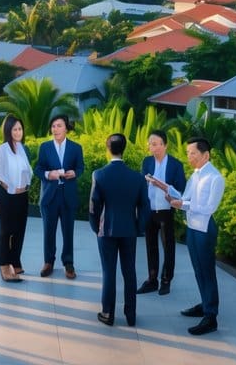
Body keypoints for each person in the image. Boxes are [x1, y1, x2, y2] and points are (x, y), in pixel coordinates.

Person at [89, 133, 149, 328]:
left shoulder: (99, 174)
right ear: (124, 149)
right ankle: (131, 315)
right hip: (129, 230)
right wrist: (139, 228)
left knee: (109, 272)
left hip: (106, 230)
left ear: (108, 149)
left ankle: (108, 313)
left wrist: (95, 226)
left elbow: (94, 206)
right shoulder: (137, 178)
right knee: (129, 272)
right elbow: (144, 206)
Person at [169, 136, 225, 336]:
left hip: (205, 228)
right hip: (192, 227)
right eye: (188, 153)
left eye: (193, 153)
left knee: (207, 271)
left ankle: (211, 317)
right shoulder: (195, 175)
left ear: (206, 155)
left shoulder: (215, 178)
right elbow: (185, 198)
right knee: (198, 270)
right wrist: (169, 192)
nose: (189, 157)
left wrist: (182, 204)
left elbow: (209, 207)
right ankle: (205, 304)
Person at [35, 114, 84, 278]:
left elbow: (81, 167)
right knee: (48, 231)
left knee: (68, 231)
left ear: (66, 128)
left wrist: (74, 173)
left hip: (68, 195)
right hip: (50, 196)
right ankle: (48, 262)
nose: (55, 129)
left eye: (59, 126)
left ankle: (68, 263)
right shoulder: (45, 147)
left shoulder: (76, 148)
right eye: (53, 126)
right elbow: (38, 169)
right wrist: (50, 174)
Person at [140, 129, 187, 296]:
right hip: (149, 209)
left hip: (166, 210)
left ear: (165, 145)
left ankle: (166, 280)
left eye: (156, 144)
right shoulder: (146, 162)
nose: (153, 147)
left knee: (168, 246)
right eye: (151, 144)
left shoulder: (175, 165)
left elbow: (181, 191)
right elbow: (141, 185)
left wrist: (161, 185)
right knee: (150, 245)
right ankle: (152, 280)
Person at [0, 114, 32, 282]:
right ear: (8, 130)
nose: (18, 132)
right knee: (6, 231)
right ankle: (4, 267)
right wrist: (11, 188)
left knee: (19, 230)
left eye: (20, 129)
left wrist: (25, 186)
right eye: (15, 129)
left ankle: (15, 261)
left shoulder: (23, 148)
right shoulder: (1, 150)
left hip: (22, 194)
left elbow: (27, 171)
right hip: (6, 194)